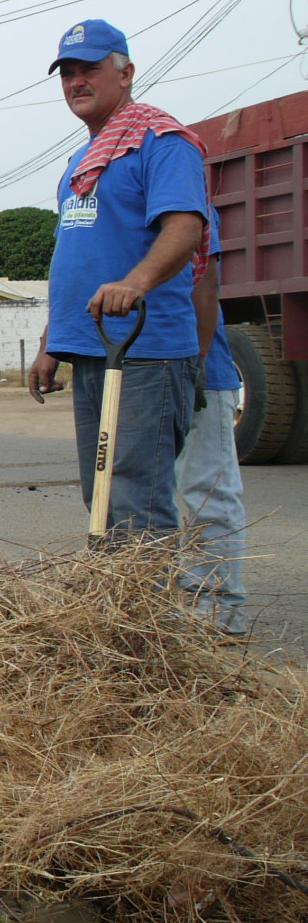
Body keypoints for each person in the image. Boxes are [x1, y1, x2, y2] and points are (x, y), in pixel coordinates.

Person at [26, 19, 208, 537]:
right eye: (67, 73)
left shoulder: (161, 141)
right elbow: (78, 257)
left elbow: (185, 227)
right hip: (89, 346)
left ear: (125, 73)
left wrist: (137, 283)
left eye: (90, 69)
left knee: (135, 498)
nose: (76, 82)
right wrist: (51, 341)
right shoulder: (81, 160)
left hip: (143, 349)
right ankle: (113, 611)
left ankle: (147, 614)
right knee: (101, 495)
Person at [176, 209, 250, 634]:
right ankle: (172, 604)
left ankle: (220, 614)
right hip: (139, 374)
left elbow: (206, 278)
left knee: (208, 494)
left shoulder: (181, 191)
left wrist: (198, 362)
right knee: (151, 500)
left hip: (201, 372)